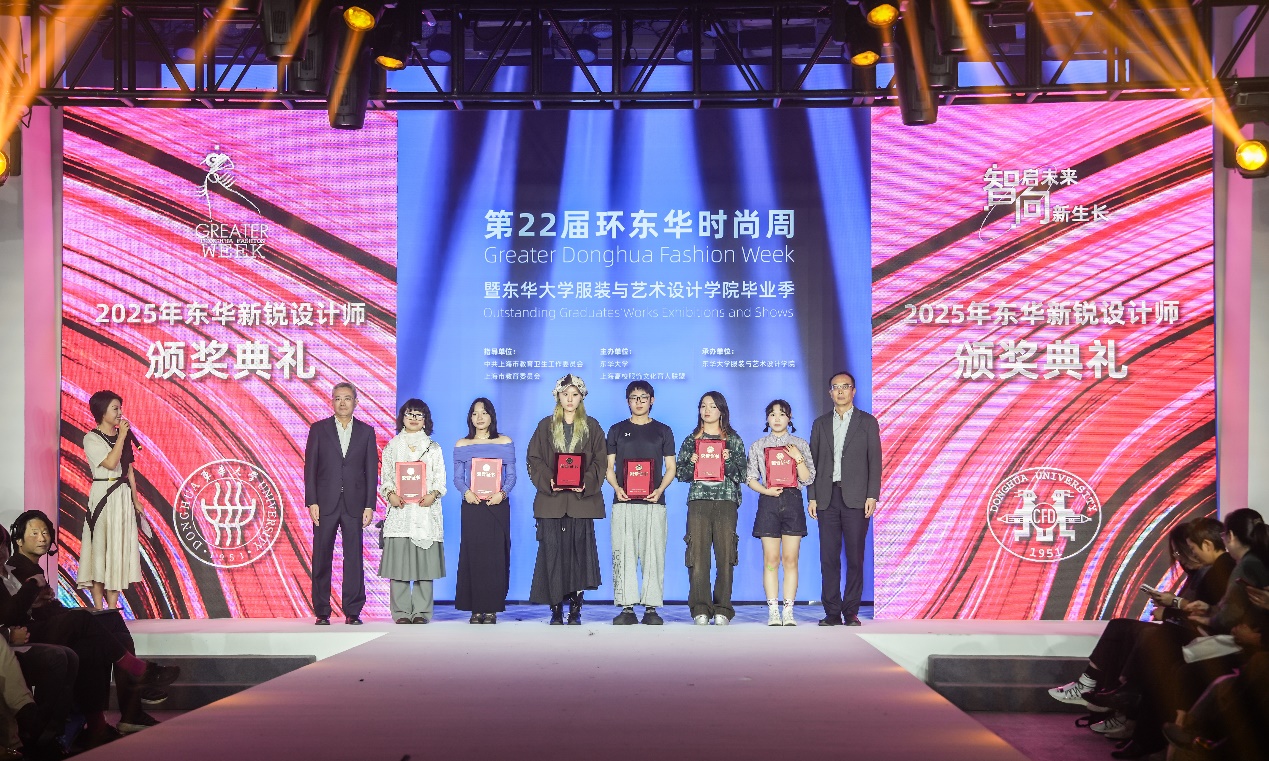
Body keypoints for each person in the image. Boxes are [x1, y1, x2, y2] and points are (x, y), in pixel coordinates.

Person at [1, 512, 178, 748]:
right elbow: (13, 613)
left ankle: (121, 715)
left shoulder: (15, 571)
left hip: (39, 626)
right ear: (19, 540)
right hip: (26, 634)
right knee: (85, 623)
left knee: (110, 627)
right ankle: (137, 677)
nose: (42, 538)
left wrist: (48, 604)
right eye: (34, 533)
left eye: (45, 533)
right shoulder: (17, 568)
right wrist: (34, 595)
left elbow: (30, 607)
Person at [1047, 519, 1232, 734]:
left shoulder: (1220, 570)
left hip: (1194, 636)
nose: (1181, 557)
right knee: (1122, 628)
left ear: (1205, 545)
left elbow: (1205, 612)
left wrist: (1171, 608)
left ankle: (1121, 705)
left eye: (1187, 550)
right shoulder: (1202, 574)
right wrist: (1171, 605)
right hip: (1184, 629)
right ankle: (1098, 690)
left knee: (1143, 635)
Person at [526, 374, 606, 625]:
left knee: (579, 556)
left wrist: (586, 482)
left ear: (582, 397)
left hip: (581, 503)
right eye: (565, 394)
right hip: (552, 502)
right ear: (557, 396)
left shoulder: (592, 426)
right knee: (552, 555)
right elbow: (534, 459)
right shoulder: (545, 426)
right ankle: (556, 609)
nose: (570, 399)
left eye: (575, 394)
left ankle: (575, 609)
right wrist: (549, 479)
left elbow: (600, 461)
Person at [808, 372, 882, 627]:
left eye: (845, 386)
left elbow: (875, 461)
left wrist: (872, 495)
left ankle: (850, 611)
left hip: (857, 498)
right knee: (828, 558)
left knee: (854, 557)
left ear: (854, 391)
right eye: (835, 387)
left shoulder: (867, 422)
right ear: (830, 392)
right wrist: (812, 496)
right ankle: (831, 612)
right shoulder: (820, 423)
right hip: (827, 497)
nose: (840, 391)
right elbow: (812, 463)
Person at [304, 381, 379, 625]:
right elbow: (310, 468)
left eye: (347, 398)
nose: (342, 403)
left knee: (354, 558)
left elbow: (371, 471)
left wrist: (369, 505)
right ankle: (322, 611)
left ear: (356, 402)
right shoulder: (319, 429)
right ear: (332, 402)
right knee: (321, 557)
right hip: (325, 503)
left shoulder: (366, 432)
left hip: (355, 504)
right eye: (338, 398)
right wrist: (312, 501)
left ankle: (353, 610)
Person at [604, 381, 676, 626]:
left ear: (652, 400)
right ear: (627, 401)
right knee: (623, 553)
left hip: (654, 502)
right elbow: (609, 467)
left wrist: (659, 490)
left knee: (654, 554)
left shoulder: (663, 431)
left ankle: (651, 608)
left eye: (643, 397)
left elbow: (671, 467)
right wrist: (617, 488)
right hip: (623, 501)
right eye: (634, 397)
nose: (639, 402)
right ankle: (626, 608)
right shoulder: (616, 430)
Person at [675, 391, 746, 626]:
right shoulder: (692, 439)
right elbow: (681, 474)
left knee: (726, 556)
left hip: (726, 501)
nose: (707, 410)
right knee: (697, 556)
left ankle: (723, 608)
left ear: (722, 411)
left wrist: (728, 460)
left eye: (713, 406)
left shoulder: (733, 439)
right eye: (703, 406)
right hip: (699, 501)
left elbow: (742, 474)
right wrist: (691, 462)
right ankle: (700, 608)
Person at [745, 400, 814, 627]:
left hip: (793, 501)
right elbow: (750, 478)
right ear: (767, 418)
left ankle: (789, 611)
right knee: (771, 560)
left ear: (790, 418)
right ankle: (773, 610)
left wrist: (797, 457)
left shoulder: (800, 444)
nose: (777, 419)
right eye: (772, 414)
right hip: (769, 501)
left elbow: (808, 478)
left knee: (790, 560)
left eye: (782, 414)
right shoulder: (758, 446)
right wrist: (766, 490)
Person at [378, 399, 447, 625]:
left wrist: (433, 494)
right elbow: (386, 477)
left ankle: (421, 612)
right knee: (398, 565)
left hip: (425, 512)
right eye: (410, 414)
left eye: (419, 415)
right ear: (402, 418)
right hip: (400, 513)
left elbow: (440, 479)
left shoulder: (434, 448)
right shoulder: (392, 446)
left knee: (424, 566)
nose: (414, 418)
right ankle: (400, 612)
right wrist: (390, 494)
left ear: (425, 420)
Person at [77, 390, 144, 610]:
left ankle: (113, 608)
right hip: (103, 494)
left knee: (117, 550)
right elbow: (110, 462)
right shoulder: (91, 438)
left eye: (120, 408)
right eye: (115, 408)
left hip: (122, 495)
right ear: (102, 411)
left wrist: (135, 500)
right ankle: (98, 608)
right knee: (99, 550)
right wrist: (122, 436)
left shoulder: (123, 436)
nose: (120, 413)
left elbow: (129, 469)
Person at [453, 398, 516, 624]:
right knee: (474, 555)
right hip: (472, 505)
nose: (479, 417)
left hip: (497, 505)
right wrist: (466, 492)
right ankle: (475, 608)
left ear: (491, 416)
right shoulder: (462, 444)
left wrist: (503, 493)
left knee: (495, 557)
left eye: (484, 412)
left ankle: (491, 608)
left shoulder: (505, 441)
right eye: (475, 413)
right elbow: (458, 478)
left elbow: (511, 476)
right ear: (470, 418)